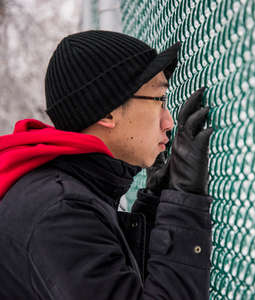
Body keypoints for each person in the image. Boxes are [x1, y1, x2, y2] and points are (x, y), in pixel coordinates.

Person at [0, 30, 213, 299]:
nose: (169, 121)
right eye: (159, 100)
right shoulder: (60, 213)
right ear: (108, 113)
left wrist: (153, 207)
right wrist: (185, 205)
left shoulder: (59, 190)